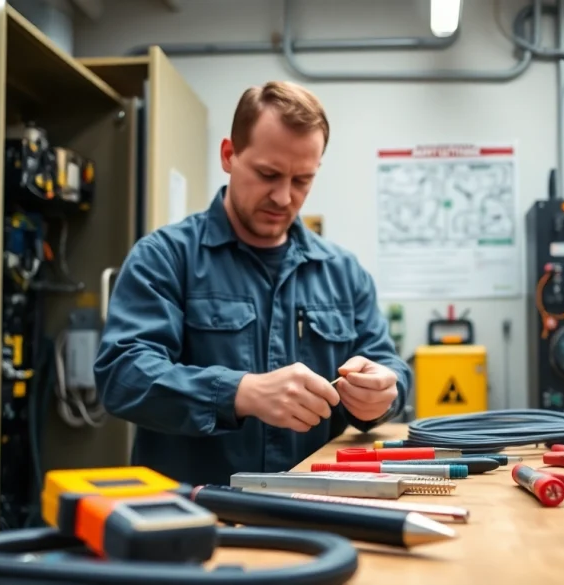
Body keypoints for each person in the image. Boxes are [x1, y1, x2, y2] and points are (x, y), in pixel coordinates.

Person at [94, 81, 412, 486]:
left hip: (318, 512)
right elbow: (123, 374)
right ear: (229, 155)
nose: (283, 197)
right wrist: (239, 393)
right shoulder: (166, 258)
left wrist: (384, 393)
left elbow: (388, 365)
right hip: (192, 520)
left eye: (302, 181)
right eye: (268, 174)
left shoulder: (343, 273)